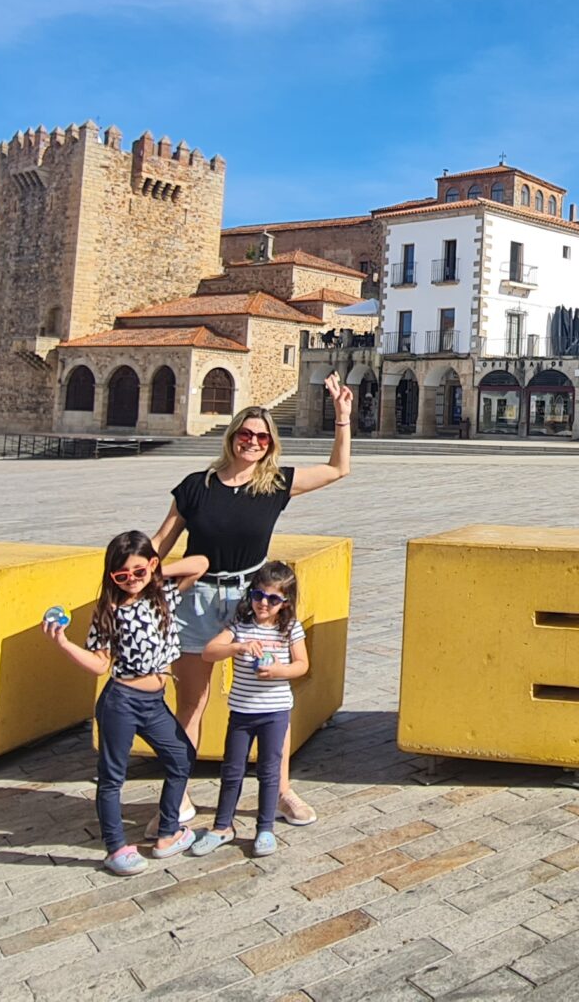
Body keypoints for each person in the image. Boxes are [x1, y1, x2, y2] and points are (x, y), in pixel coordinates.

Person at [149, 373, 354, 833]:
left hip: (255, 603)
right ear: (232, 436)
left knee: (268, 701)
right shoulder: (196, 486)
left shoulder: (275, 483)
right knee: (191, 704)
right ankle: (176, 797)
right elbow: (162, 541)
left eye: (263, 437)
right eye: (246, 434)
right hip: (197, 602)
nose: (253, 442)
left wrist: (342, 417)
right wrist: (134, 578)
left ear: (270, 444)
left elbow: (338, 469)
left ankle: (280, 791)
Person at [43, 530, 218, 876]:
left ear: (151, 565)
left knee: (181, 756)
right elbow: (99, 664)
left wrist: (156, 572)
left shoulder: (164, 594)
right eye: (122, 576)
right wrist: (63, 643)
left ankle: (167, 833)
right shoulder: (108, 610)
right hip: (121, 701)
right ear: (111, 577)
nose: (132, 581)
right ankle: (116, 848)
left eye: (138, 572)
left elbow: (201, 564)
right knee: (112, 777)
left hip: (154, 702)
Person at [187, 561, 310, 858]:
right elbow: (209, 652)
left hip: (275, 712)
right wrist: (237, 648)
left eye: (273, 599)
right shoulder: (239, 626)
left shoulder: (290, 628)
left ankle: (265, 828)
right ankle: (222, 826)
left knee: (269, 770)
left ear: (285, 602)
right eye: (258, 595)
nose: (263, 604)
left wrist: (279, 671)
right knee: (232, 769)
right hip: (241, 712)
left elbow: (302, 665)